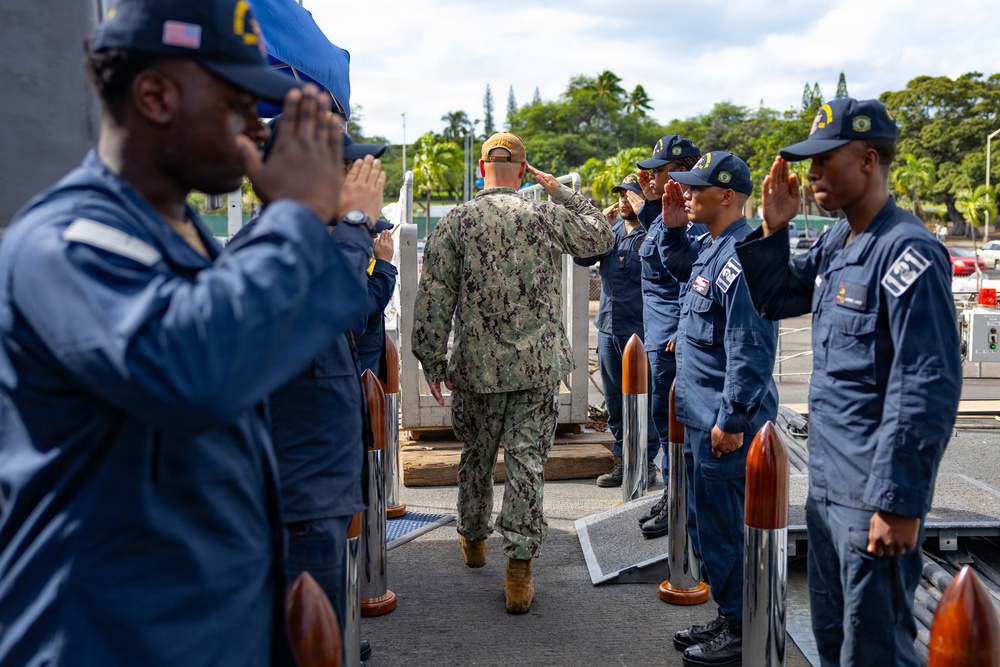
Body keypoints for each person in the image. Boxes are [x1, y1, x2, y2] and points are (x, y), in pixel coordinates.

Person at [0, 1, 374, 664]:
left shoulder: (179, 240)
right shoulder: (64, 242)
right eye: (235, 103)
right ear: (154, 95)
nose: (250, 130)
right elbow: (192, 370)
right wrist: (293, 217)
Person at [736, 97, 962, 667]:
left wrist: (899, 502)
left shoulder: (907, 251)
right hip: (829, 489)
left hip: (872, 495)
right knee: (834, 642)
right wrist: (773, 229)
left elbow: (926, 385)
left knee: (876, 647)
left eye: (823, 158)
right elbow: (775, 299)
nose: (810, 172)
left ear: (867, 160)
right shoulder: (839, 240)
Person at [412, 132, 612, 613]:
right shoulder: (544, 214)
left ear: (482, 169)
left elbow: (435, 296)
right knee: (526, 465)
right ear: (522, 172)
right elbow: (600, 235)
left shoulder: (457, 221)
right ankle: (519, 567)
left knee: (477, 456)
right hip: (536, 369)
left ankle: (473, 536)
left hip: (477, 369)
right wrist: (559, 189)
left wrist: (432, 359)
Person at [232, 121, 388, 664]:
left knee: (317, 636)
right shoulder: (269, 249)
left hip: (313, 492)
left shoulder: (299, 248)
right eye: (345, 171)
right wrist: (353, 222)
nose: (359, 182)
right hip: (294, 499)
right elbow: (340, 301)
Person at [662, 152, 779, 667]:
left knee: (729, 528)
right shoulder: (712, 247)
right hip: (700, 414)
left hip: (724, 422)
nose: (686, 193)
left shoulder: (745, 256)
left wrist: (732, 420)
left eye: (696, 188)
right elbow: (677, 268)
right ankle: (730, 614)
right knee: (706, 525)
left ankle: (741, 628)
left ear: (726, 196)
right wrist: (670, 227)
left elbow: (749, 347)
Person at [632, 135, 706, 538]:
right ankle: (673, 492)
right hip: (657, 335)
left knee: (675, 422)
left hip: (672, 338)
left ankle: (680, 500)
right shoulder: (668, 211)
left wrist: (682, 328)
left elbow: (689, 276)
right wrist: (651, 202)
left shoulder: (695, 218)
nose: (651, 175)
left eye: (658, 170)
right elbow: (659, 243)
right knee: (665, 422)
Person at [574, 174, 658, 488]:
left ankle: (646, 462)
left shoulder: (655, 232)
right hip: (609, 330)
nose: (624, 200)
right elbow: (582, 258)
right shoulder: (610, 233)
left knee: (645, 402)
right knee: (616, 402)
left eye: (631, 195)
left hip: (642, 331)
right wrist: (598, 225)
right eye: (621, 195)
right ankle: (623, 460)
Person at [356, 220, 398, 377]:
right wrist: (383, 264)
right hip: (357, 376)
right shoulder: (346, 264)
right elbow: (368, 307)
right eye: (369, 233)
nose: (376, 237)